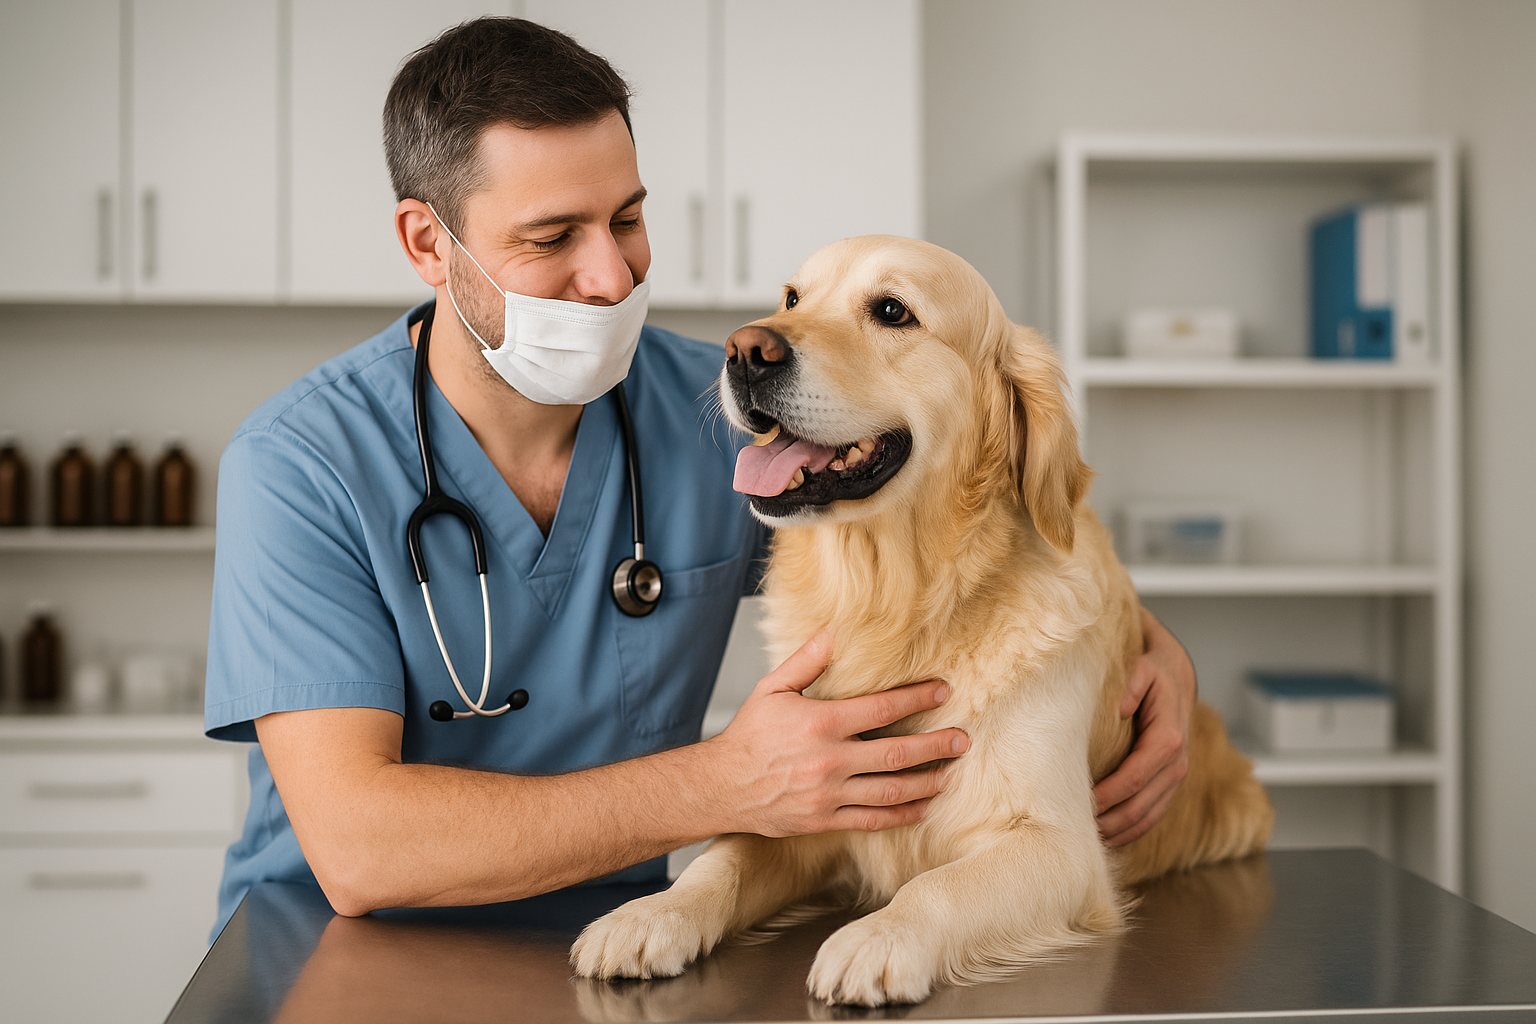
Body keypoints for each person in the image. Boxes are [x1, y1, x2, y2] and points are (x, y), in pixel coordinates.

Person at [203, 17, 1197, 938]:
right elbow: (360, 850)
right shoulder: (299, 467)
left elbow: (972, 543)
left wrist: (1153, 655)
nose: (612, 275)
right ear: (429, 243)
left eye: (626, 219)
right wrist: (727, 782)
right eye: (553, 239)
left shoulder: (720, 407)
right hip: (344, 956)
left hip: (627, 938)